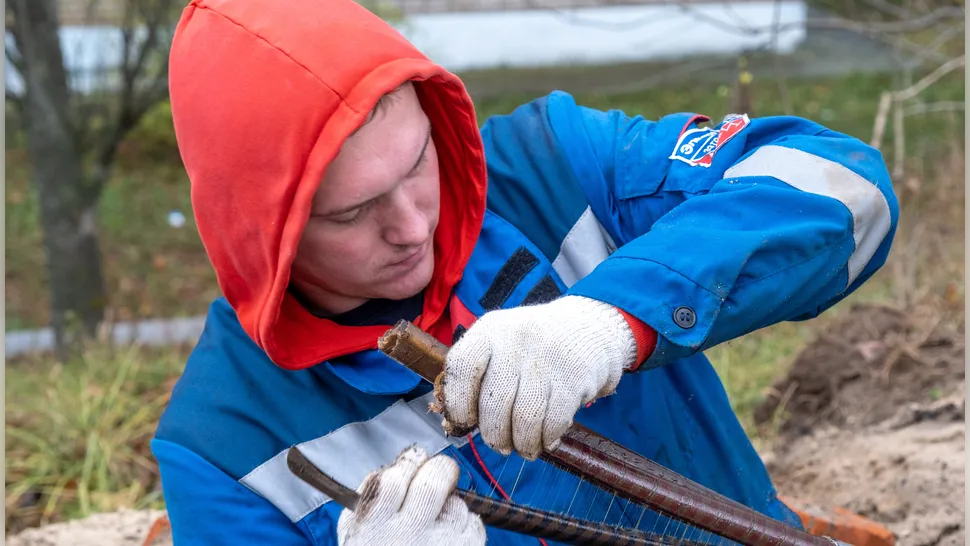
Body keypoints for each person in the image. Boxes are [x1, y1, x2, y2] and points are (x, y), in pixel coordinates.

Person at [152, 0, 899, 544]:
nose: (412, 225)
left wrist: (614, 318)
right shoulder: (223, 447)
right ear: (261, 233)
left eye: (418, 163)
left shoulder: (553, 172)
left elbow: (843, 188)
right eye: (352, 213)